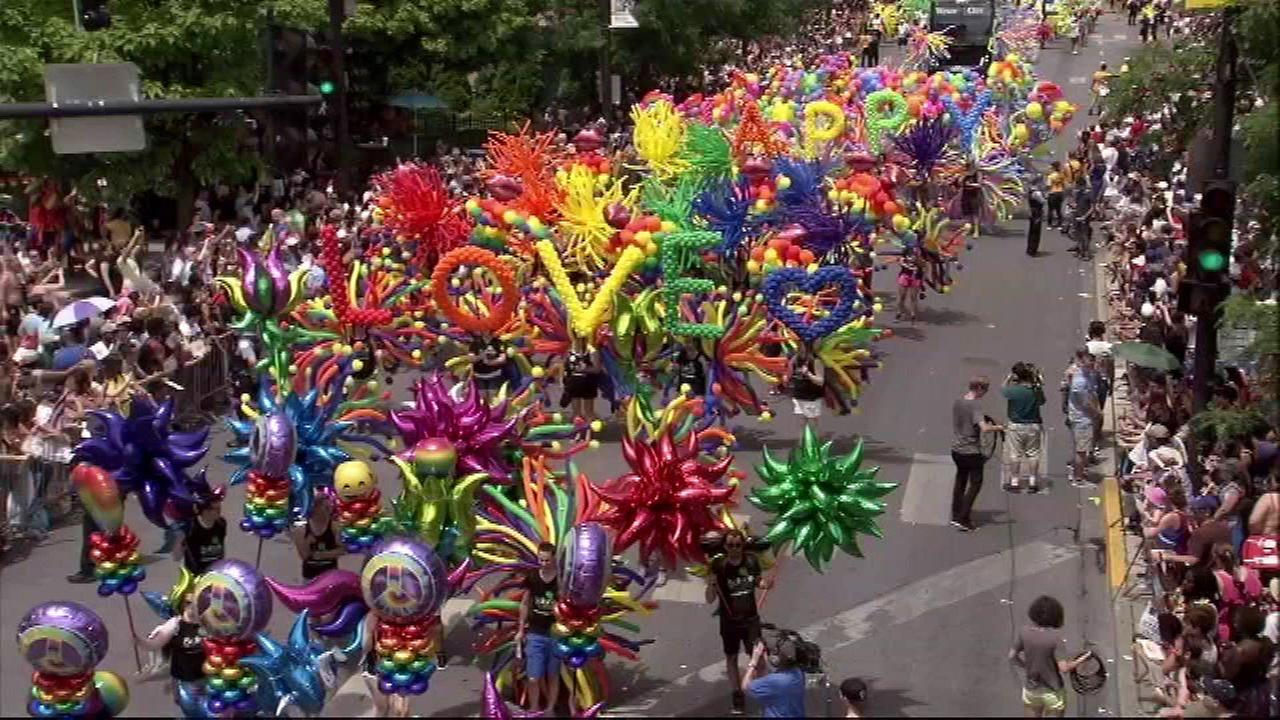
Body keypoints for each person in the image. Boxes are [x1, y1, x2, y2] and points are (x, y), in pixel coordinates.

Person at [706, 529, 772, 715]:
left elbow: (757, 581)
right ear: (725, 546)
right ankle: (737, 695)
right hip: (729, 622)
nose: (734, 549)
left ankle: (764, 692)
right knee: (732, 657)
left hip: (751, 620)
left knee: (758, 657)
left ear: (743, 545)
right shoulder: (719, 565)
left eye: (738, 545)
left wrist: (763, 584)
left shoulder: (751, 561)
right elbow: (710, 599)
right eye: (730, 545)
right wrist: (710, 584)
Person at [1009, 595, 1089, 717]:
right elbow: (1064, 668)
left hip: (1031, 689)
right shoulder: (1055, 639)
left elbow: (1012, 656)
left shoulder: (1023, 632)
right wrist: (1082, 659)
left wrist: (1027, 666)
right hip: (1053, 692)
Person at [951, 376, 1003, 531]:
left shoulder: (958, 402)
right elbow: (985, 428)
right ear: (979, 388)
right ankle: (963, 517)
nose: (985, 393)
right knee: (976, 483)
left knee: (961, 480)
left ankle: (956, 512)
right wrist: (1000, 428)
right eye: (985, 390)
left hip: (956, 449)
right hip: (971, 451)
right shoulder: (975, 406)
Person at [136, 590, 206, 704]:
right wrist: (139, 641)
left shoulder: (207, 622)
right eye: (188, 602)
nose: (192, 606)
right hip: (184, 681)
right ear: (182, 603)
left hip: (205, 680)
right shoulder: (175, 624)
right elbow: (154, 644)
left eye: (196, 602)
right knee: (188, 706)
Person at [516, 542, 561, 713]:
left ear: (554, 559)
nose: (543, 563)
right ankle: (534, 708)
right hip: (536, 633)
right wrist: (520, 630)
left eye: (547, 560)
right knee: (533, 677)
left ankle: (549, 709)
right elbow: (525, 603)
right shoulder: (533, 577)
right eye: (541, 560)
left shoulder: (561, 579)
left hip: (556, 634)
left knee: (553, 675)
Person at [1003, 363, 1046, 493]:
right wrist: (1038, 382)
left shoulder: (1013, 390)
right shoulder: (1035, 390)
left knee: (1015, 454)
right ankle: (1032, 482)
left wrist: (1008, 378)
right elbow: (1042, 401)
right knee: (1033, 454)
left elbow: (1003, 389)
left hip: (1016, 426)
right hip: (1033, 425)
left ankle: (1015, 482)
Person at [742, 637, 806, 718]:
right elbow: (768, 680)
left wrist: (753, 661)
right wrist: (764, 660)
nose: (773, 655)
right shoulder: (798, 673)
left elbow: (745, 687)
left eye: (776, 653)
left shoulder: (776, 681)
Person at [1064, 349, 1101, 486]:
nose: (1092, 365)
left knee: (1082, 448)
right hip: (1082, 419)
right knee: (1082, 450)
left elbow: (1092, 393)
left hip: (1085, 417)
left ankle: (1079, 470)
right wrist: (1095, 413)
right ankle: (1078, 478)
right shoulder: (1080, 381)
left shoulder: (1087, 375)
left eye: (1093, 361)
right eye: (1089, 362)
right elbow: (1084, 402)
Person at [291, 489, 343, 580]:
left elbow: (342, 549)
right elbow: (304, 556)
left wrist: (324, 555)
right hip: (310, 576)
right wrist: (307, 542)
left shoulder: (334, 527)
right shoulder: (301, 529)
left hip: (330, 575)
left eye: (327, 506)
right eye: (323, 506)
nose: (327, 509)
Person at [175, 486, 226, 575]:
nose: (219, 512)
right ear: (204, 511)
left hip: (216, 575)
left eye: (220, 508)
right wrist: (179, 542)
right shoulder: (190, 526)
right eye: (216, 509)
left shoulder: (221, 524)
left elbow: (221, 548)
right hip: (196, 576)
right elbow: (177, 556)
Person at [561, 340, 601, 423]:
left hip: (581, 382)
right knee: (587, 412)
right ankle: (586, 434)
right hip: (583, 383)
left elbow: (564, 365)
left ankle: (580, 434)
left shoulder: (571, 349)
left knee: (580, 413)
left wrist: (563, 379)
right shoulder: (591, 350)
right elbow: (596, 369)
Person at [788, 344, 825, 421]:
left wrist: (808, 374)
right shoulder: (795, 359)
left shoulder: (816, 361)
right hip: (798, 396)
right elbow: (790, 375)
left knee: (811, 424)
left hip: (811, 398)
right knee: (801, 424)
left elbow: (820, 381)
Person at [468, 335, 508, 401]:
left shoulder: (498, 342)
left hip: (494, 375)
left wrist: (491, 362)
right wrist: (480, 356)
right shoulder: (476, 342)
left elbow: (503, 359)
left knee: (493, 397)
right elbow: (471, 358)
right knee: (482, 398)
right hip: (479, 375)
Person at [1046, 162, 1066, 230]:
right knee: (1058, 209)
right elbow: (1064, 185)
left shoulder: (1051, 176)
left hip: (1052, 193)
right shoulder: (1061, 175)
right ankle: (1059, 224)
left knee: (1050, 210)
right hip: (1060, 192)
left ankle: (1049, 224)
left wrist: (1046, 192)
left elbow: (1048, 185)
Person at [1027, 185, 1046, 256]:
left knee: (1031, 232)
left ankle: (1029, 249)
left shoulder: (1030, 192)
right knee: (1036, 232)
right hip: (1037, 213)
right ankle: (1033, 250)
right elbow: (1042, 201)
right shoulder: (1037, 193)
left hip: (1032, 213)